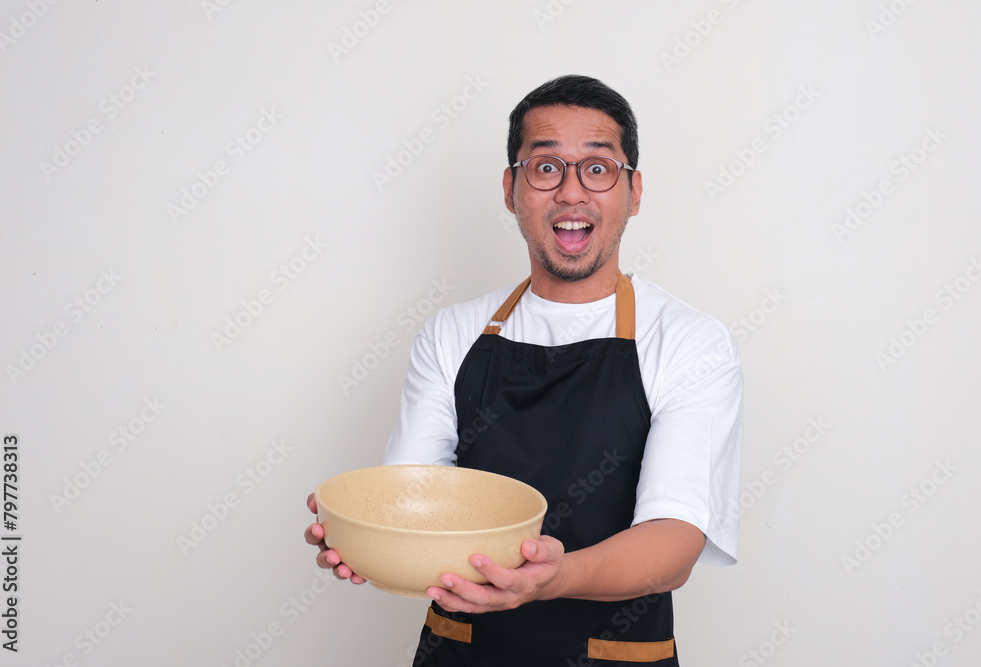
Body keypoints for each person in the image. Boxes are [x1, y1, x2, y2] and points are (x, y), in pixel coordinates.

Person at [305, 74, 743, 665]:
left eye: (597, 167)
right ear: (511, 188)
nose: (570, 192)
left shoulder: (688, 341)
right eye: (545, 168)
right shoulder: (452, 335)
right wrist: (363, 538)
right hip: (460, 652)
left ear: (634, 192)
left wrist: (551, 578)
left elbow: (675, 542)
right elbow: (414, 499)